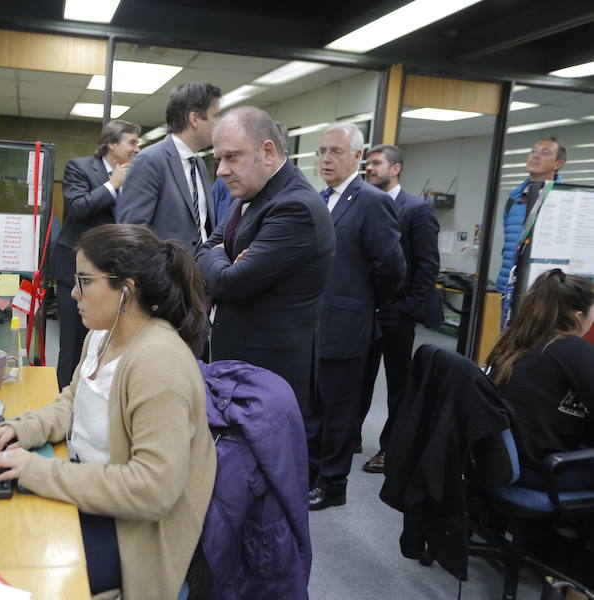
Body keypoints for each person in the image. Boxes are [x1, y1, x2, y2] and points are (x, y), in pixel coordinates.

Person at [0, 224, 216, 598]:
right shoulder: (101, 334)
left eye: (84, 281)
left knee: (20, 563)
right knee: (2, 529)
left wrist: (40, 471)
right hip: (91, 488)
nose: (73, 293)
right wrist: (25, 428)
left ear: (126, 290)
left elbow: (153, 490)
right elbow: (74, 401)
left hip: (131, 531)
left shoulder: (159, 364)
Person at [196, 105, 334, 414]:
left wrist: (220, 259)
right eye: (219, 159)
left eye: (232, 157)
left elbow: (229, 283)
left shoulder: (295, 207)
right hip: (236, 365)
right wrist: (223, 257)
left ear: (267, 151)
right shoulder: (249, 193)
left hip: (267, 375)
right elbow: (205, 250)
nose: (220, 171)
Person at [308, 123, 405, 510]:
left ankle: (333, 484)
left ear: (357, 157)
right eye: (322, 151)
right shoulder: (319, 198)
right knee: (313, 408)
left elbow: (392, 269)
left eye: (335, 151)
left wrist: (363, 303)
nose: (326, 158)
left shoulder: (370, 201)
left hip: (348, 323)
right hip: (313, 324)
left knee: (340, 411)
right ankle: (312, 474)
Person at [358, 144, 443, 474]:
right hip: (366, 312)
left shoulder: (416, 210)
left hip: (398, 314)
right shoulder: (363, 204)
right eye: (368, 163)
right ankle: (350, 435)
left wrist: (408, 308)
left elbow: (427, 266)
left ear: (396, 169)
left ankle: (391, 449)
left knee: (398, 389)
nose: (370, 168)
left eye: (377, 163)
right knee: (358, 381)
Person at [486, 269, 594, 491]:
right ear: (578, 315)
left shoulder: (515, 341)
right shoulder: (572, 348)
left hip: (502, 463)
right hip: (546, 471)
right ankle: (567, 525)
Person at [52, 119, 141, 389]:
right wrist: (112, 185)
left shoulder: (136, 175)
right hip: (75, 274)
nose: (138, 149)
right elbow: (78, 208)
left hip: (113, 276)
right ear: (112, 144)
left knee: (105, 344)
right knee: (73, 345)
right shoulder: (79, 167)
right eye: (132, 142)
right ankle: (64, 410)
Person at [118, 82, 221, 251]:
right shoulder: (150, 160)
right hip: (166, 273)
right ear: (194, 119)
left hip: (201, 271)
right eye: (215, 116)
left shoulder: (198, 163)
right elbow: (133, 232)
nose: (218, 123)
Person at [497, 137, 567, 328]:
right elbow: (509, 245)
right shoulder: (514, 199)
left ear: (558, 164)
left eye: (545, 152)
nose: (535, 155)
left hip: (545, 297)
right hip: (510, 292)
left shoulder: (563, 200)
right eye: (533, 151)